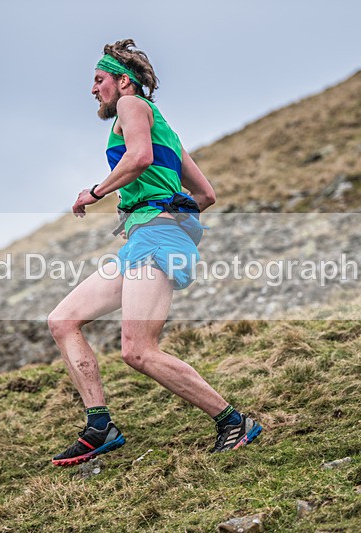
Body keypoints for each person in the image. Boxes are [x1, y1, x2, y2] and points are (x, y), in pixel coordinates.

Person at [48, 39, 262, 467]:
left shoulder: (131, 106)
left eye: (98, 80)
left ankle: (234, 422)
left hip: (158, 239)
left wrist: (96, 192)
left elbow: (140, 157)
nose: (93, 89)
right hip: (148, 237)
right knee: (63, 320)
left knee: (138, 350)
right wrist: (167, 208)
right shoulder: (164, 127)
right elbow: (206, 194)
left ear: (122, 81)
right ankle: (99, 426)